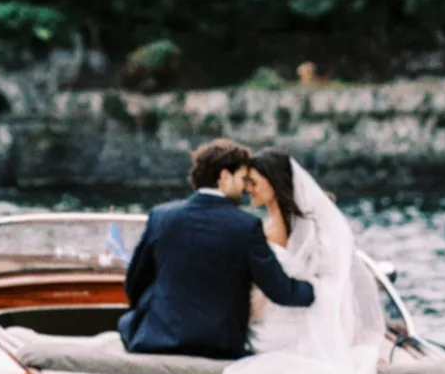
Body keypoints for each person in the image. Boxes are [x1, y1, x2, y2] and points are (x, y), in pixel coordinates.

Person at [121, 137, 316, 360]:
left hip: (157, 338)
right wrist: (319, 290)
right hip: (218, 345)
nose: (245, 188)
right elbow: (280, 291)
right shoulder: (245, 227)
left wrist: (159, 315)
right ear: (224, 176)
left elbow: (134, 282)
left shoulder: (161, 217)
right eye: (242, 178)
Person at [232, 151, 390, 374]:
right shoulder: (263, 230)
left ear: (272, 182)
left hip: (301, 320)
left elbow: (334, 277)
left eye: (253, 182)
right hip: (280, 319)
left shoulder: (313, 230)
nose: (247, 188)